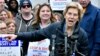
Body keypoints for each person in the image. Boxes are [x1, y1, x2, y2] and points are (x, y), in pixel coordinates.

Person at [6, 2, 88, 56]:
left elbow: (84, 54)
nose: (71, 17)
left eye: (75, 15)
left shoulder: (82, 34)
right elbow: (35, 35)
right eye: (69, 13)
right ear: (65, 15)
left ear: (78, 18)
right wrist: (17, 36)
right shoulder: (55, 27)